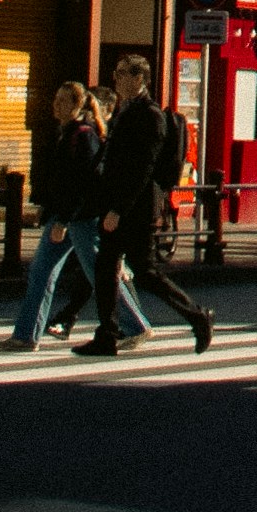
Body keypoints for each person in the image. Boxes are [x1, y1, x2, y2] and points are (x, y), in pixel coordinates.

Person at [94, 52, 220, 356]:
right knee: (105, 265)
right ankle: (107, 335)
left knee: (145, 271)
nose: (116, 77)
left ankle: (197, 315)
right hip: (122, 205)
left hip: (136, 209)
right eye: (117, 71)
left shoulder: (149, 116)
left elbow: (142, 168)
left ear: (139, 78)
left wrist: (118, 210)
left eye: (123, 72)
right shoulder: (126, 111)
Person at [8, 71, 125, 351]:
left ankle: (135, 326)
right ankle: (26, 336)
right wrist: (48, 210)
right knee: (41, 272)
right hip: (66, 217)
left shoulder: (82, 135)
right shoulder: (65, 133)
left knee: (100, 276)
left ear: (77, 105)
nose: (55, 105)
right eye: (55, 99)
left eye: (63, 101)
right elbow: (59, 182)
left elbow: (84, 183)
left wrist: (63, 217)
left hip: (80, 219)